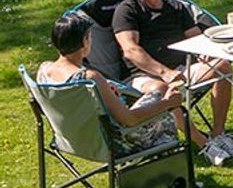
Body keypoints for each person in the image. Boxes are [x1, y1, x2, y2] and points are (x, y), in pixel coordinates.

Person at [112, 0, 233, 166]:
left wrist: (203, 52)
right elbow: (130, 50)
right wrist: (165, 73)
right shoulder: (127, 10)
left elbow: (195, 39)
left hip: (181, 70)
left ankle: (218, 134)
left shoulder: (176, 7)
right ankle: (203, 144)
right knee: (164, 88)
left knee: (222, 66)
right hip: (142, 77)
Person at [38, 13, 186, 156]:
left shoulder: (44, 70)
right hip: (112, 145)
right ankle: (171, 176)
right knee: (163, 110)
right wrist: (168, 103)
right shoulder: (90, 78)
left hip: (73, 142)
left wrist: (104, 90)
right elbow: (129, 120)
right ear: (85, 41)